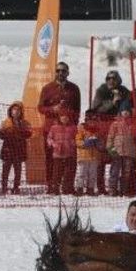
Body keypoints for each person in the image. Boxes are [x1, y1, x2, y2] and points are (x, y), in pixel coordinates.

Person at [37, 62, 81, 191]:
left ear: (68, 72)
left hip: (68, 130)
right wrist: (52, 109)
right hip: (51, 130)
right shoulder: (47, 88)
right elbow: (40, 108)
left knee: (70, 159)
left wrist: (73, 124)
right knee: (51, 158)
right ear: (55, 72)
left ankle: (68, 186)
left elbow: (77, 109)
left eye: (63, 71)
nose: (60, 73)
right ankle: (52, 185)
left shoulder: (74, 88)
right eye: (58, 70)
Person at [0, 101, 32, 195]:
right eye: (14, 109)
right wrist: (8, 133)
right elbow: (0, 134)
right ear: (11, 111)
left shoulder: (24, 123)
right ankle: (4, 187)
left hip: (19, 150)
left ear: (21, 112)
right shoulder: (6, 122)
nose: (16, 112)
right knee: (5, 170)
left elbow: (29, 133)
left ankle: (16, 187)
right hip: (8, 149)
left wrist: (19, 133)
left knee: (18, 171)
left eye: (18, 110)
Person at [106, 100, 136, 197]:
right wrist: (110, 148)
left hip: (129, 153)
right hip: (117, 152)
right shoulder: (115, 124)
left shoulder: (134, 125)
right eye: (124, 111)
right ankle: (112, 189)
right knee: (114, 171)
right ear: (120, 112)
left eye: (127, 111)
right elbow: (110, 137)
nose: (126, 113)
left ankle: (124, 190)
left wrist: (135, 152)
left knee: (126, 173)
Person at [46, 111, 77, 195]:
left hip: (69, 153)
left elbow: (77, 138)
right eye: (62, 116)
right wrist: (54, 144)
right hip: (58, 154)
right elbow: (49, 138)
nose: (64, 118)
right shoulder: (54, 127)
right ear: (59, 118)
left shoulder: (73, 127)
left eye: (66, 117)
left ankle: (67, 189)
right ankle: (55, 189)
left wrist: (73, 143)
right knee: (56, 173)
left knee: (68, 173)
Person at [75, 109, 102, 196]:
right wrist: (85, 143)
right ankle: (79, 188)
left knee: (92, 174)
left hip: (94, 157)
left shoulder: (97, 130)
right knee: (82, 173)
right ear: (87, 120)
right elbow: (77, 141)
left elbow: (101, 142)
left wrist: (98, 144)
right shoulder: (82, 129)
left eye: (94, 120)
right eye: (90, 120)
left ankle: (90, 189)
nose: (92, 122)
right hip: (84, 156)